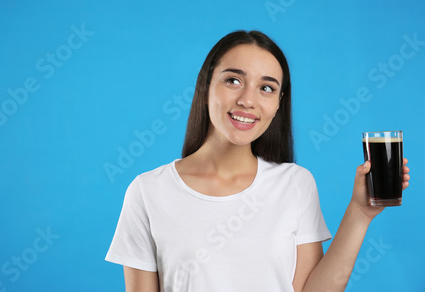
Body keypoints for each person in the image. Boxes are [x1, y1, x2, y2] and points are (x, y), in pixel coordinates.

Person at [105, 30, 410, 291]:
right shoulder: (148, 192)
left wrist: (359, 213)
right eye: (233, 80)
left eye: (266, 88)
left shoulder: (295, 183)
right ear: (205, 85)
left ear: (278, 104)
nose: (248, 100)